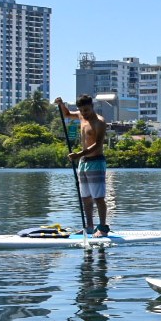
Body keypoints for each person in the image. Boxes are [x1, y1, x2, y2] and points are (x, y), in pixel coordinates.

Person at [56, 94, 111, 236]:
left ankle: (103, 228)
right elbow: (67, 114)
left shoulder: (100, 122)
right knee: (85, 197)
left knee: (98, 197)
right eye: (81, 110)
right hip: (83, 163)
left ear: (92, 107)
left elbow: (98, 145)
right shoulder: (81, 117)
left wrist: (78, 154)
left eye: (86, 110)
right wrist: (61, 104)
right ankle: (89, 227)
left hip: (96, 162)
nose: (84, 113)